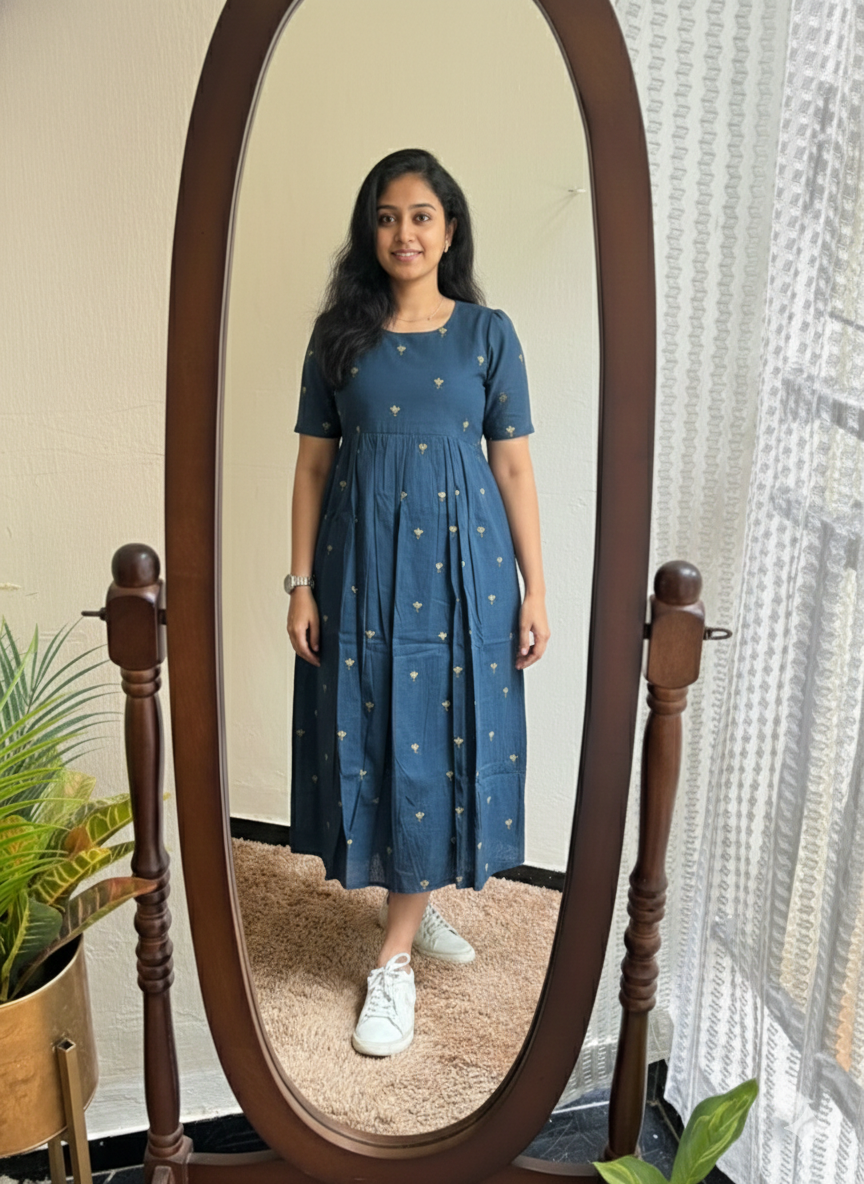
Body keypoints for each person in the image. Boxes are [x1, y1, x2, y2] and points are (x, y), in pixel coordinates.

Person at [286, 148, 549, 1058]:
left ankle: (393, 956)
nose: (406, 232)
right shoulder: (336, 336)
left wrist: (533, 586)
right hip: (358, 567)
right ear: (372, 230)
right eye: (389, 216)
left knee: (439, 730)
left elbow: (512, 465)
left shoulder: (488, 335)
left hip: (463, 569)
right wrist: (299, 583)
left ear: (449, 229)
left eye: (423, 215)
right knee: (383, 731)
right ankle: (416, 900)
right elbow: (314, 463)